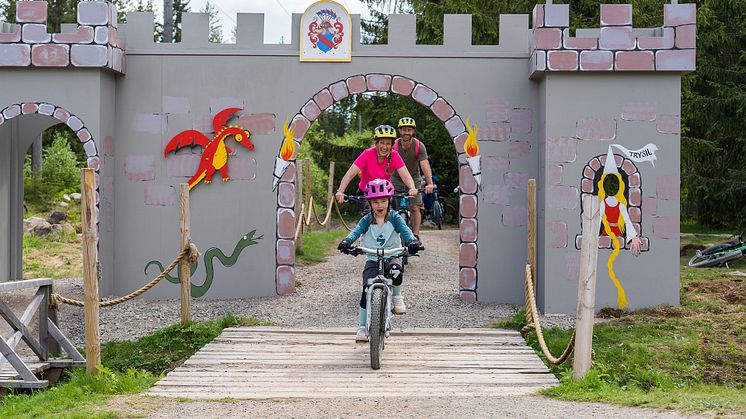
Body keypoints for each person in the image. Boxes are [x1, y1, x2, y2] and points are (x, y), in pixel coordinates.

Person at [337, 179, 421, 342]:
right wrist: (347, 242)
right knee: (365, 290)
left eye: (383, 200)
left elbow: (406, 231)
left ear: (389, 200)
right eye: (375, 202)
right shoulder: (366, 219)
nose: (380, 205)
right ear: (370, 203)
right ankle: (362, 327)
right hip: (372, 257)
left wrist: (412, 241)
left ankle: (397, 296)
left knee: (396, 269)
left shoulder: (395, 217)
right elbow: (355, 232)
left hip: (392, 255)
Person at [335, 125, 418, 205]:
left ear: (392, 145)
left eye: (388, 143)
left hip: (385, 192)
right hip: (365, 192)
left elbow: (405, 175)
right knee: (366, 217)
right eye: (382, 143)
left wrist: (412, 187)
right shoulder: (367, 154)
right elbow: (350, 174)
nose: (384, 147)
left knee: (393, 216)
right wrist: (340, 191)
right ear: (376, 143)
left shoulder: (395, 155)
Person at [391, 117, 434, 238]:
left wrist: (429, 183)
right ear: (400, 131)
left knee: (415, 207)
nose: (406, 133)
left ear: (413, 131)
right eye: (404, 130)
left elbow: (425, 165)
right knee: (389, 204)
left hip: (414, 178)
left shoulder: (419, 146)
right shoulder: (393, 145)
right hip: (396, 178)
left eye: (409, 130)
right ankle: (390, 234)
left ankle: (416, 236)